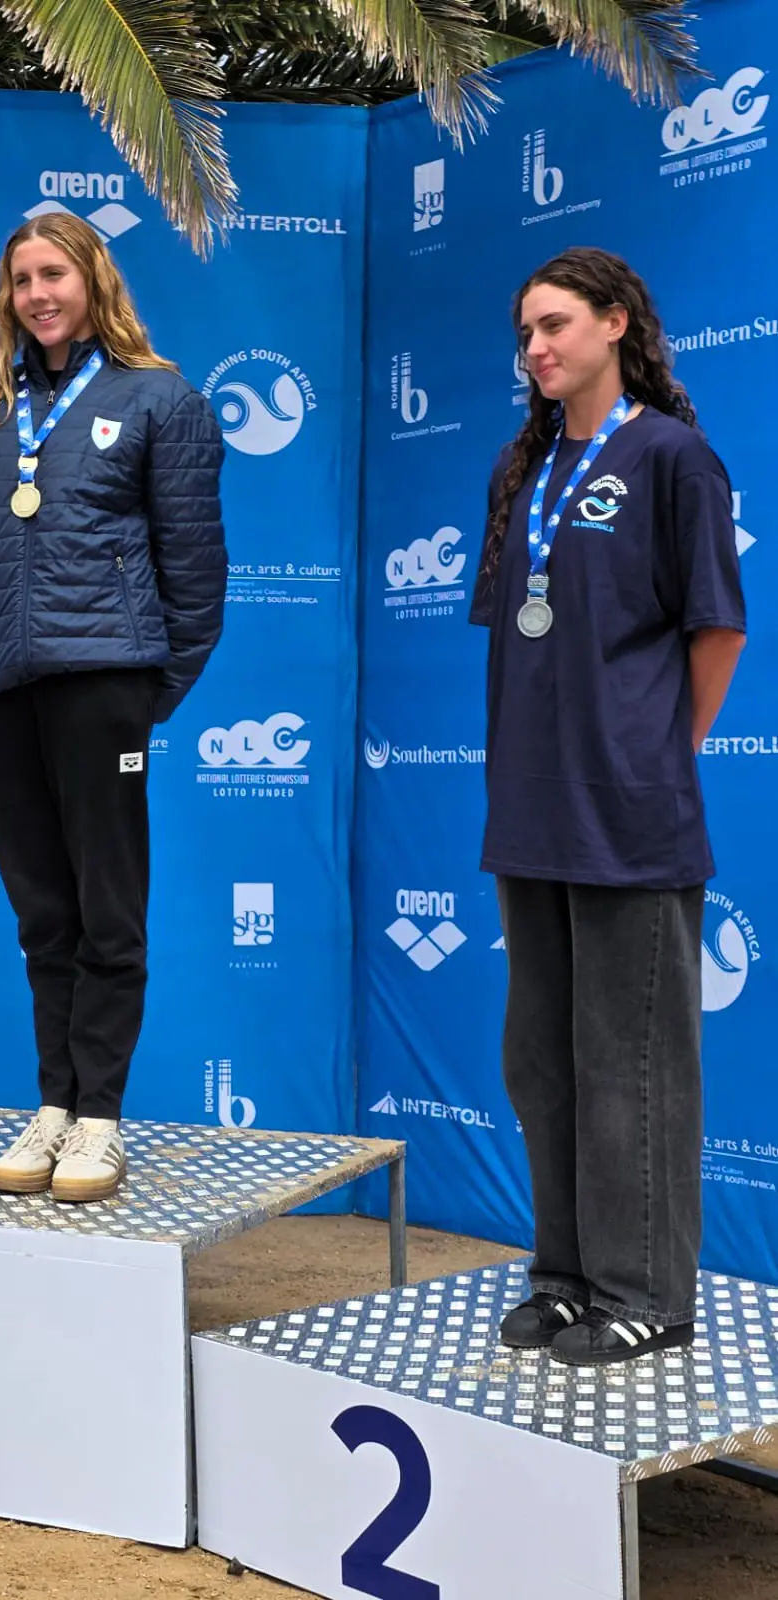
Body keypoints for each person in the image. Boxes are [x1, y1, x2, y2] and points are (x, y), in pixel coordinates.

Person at [472, 247, 745, 1365]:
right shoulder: (521, 471)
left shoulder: (674, 458)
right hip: (529, 810)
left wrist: (657, 756)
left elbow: (716, 629)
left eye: (555, 325)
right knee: (542, 1058)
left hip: (631, 811)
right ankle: (567, 1275)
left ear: (616, 323)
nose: (536, 347)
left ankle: (644, 1290)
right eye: (525, 332)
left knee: (630, 1063)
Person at [0, 212, 227, 1204]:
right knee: (42, 911)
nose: (38, 294)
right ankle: (54, 1104)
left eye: (54, 272)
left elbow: (194, 569)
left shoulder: (162, 398)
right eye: (22, 278)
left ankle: (101, 1117)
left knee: (108, 910)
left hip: (106, 680)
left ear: (91, 279)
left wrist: (152, 690)